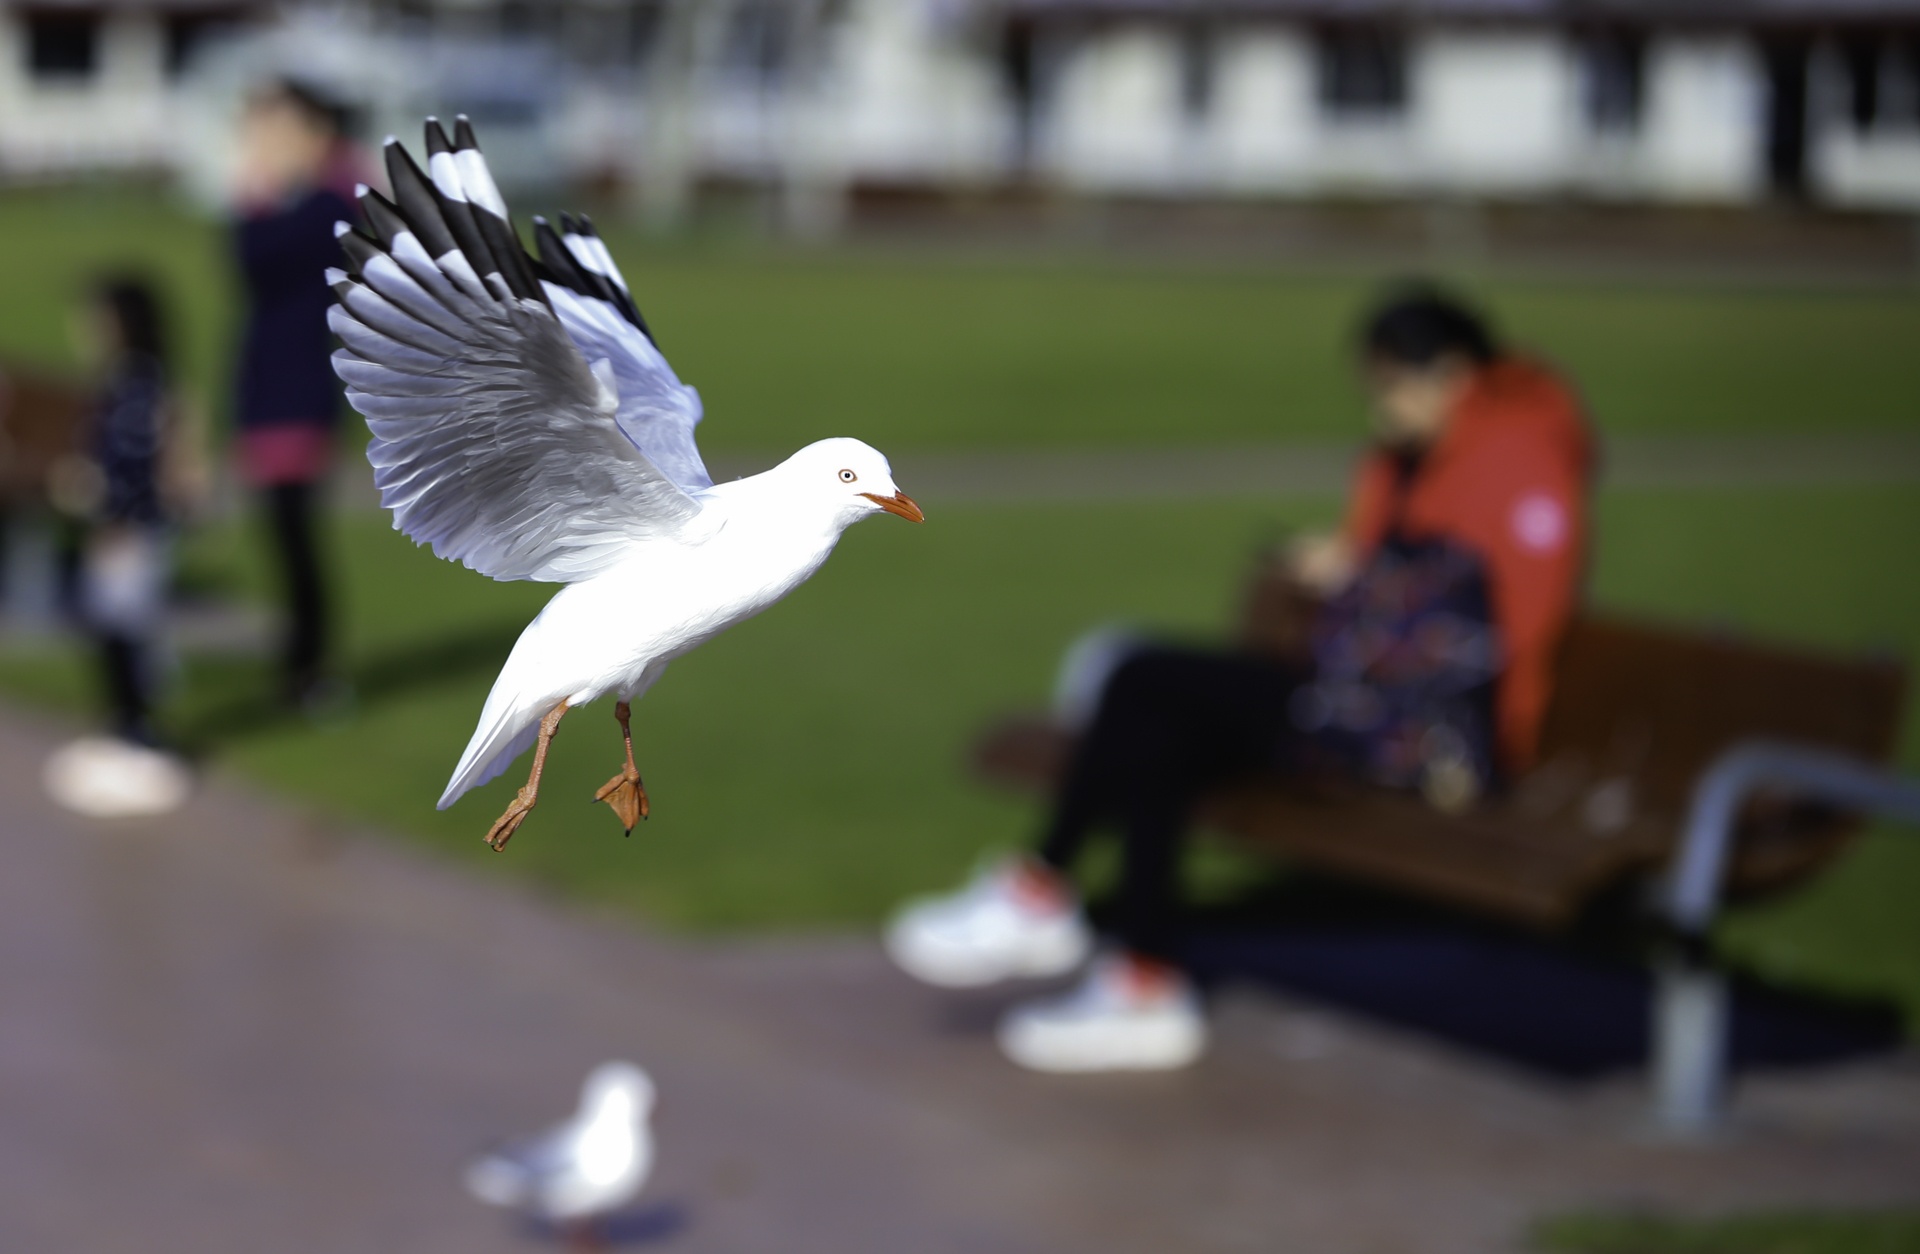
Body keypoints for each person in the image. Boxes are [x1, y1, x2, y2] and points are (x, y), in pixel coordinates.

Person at [885, 286, 1594, 1073]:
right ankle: (1138, 979)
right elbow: (1405, 578)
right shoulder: (1417, 453)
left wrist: (1473, 736)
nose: (1381, 409)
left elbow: (1506, 630)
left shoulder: (1519, 455)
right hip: (1357, 695)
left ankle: (1051, 898)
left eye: (1392, 386)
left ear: (1453, 374)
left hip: (1422, 734)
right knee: (1156, 719)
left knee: (1143, 679)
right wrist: (1347, 569)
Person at [41, 275, 201, 817]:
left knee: (127, 631)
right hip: (115, 526)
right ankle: (124, 729)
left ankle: (137, 735)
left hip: (130, 528)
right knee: (109, 628)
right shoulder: (119, 381)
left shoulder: (138, 382)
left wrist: (103, 500)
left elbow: (135, 460)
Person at [230, 77, 359, 709]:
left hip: (298, 391)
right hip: (274, 386)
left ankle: (310, 672)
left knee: (295, 540)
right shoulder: (316, 202)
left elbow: (252, 256)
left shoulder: (327, 207)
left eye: (274, 129)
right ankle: (300, 665)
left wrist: (255, 193)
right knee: (286, 539)